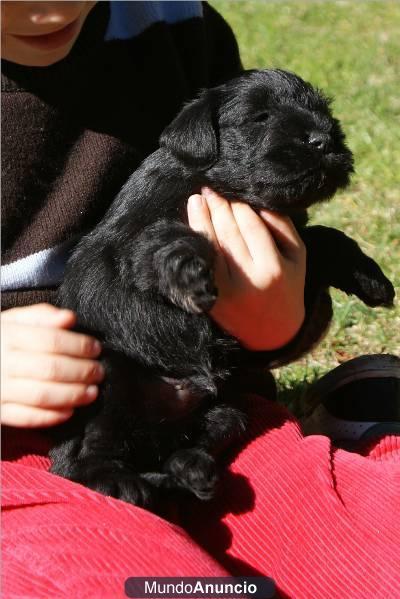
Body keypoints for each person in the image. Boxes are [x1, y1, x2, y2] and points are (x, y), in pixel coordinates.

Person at [1, 2, 399, 598]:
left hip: (208, 423)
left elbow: (264, 234)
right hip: (19, 451)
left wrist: (278, 323)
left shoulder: (174, 26)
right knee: (137, 584)